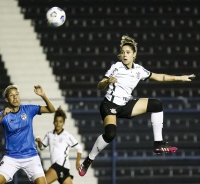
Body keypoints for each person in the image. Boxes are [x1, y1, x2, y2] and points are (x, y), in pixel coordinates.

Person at [78, 35, 196, 177]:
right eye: (123, 52)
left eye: (128, 52)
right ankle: (89, 160)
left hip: (125, 104)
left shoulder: (139, 70)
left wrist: (180, 78)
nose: (124, 55)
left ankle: (158, 144)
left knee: (157, 104)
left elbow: (160, 77)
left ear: (134, 55)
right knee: (110, 134)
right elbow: (99, 86)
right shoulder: (116, 67)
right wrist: (107, 81)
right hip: (109, 104)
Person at [0, 84, 55, 184]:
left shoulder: (28, 110)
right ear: (7, 99)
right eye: (11, 95)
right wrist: (1, 116)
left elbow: (51, 110)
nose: (15, 97)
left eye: (17, 94)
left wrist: (43, 95)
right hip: (11, 157)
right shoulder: (3, 114)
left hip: (31, 156)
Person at [35, 106, 82, 184]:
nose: (58, 124)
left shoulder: (67, 135)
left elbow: (79, 148)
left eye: (60, 121)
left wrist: (77, 162)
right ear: (53, 122)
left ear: (63, 123)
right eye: (56, 121)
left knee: (41, 182)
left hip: (61, 166)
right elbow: (42, 147)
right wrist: (39, 142)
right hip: (60, 168)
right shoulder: (49, 134)